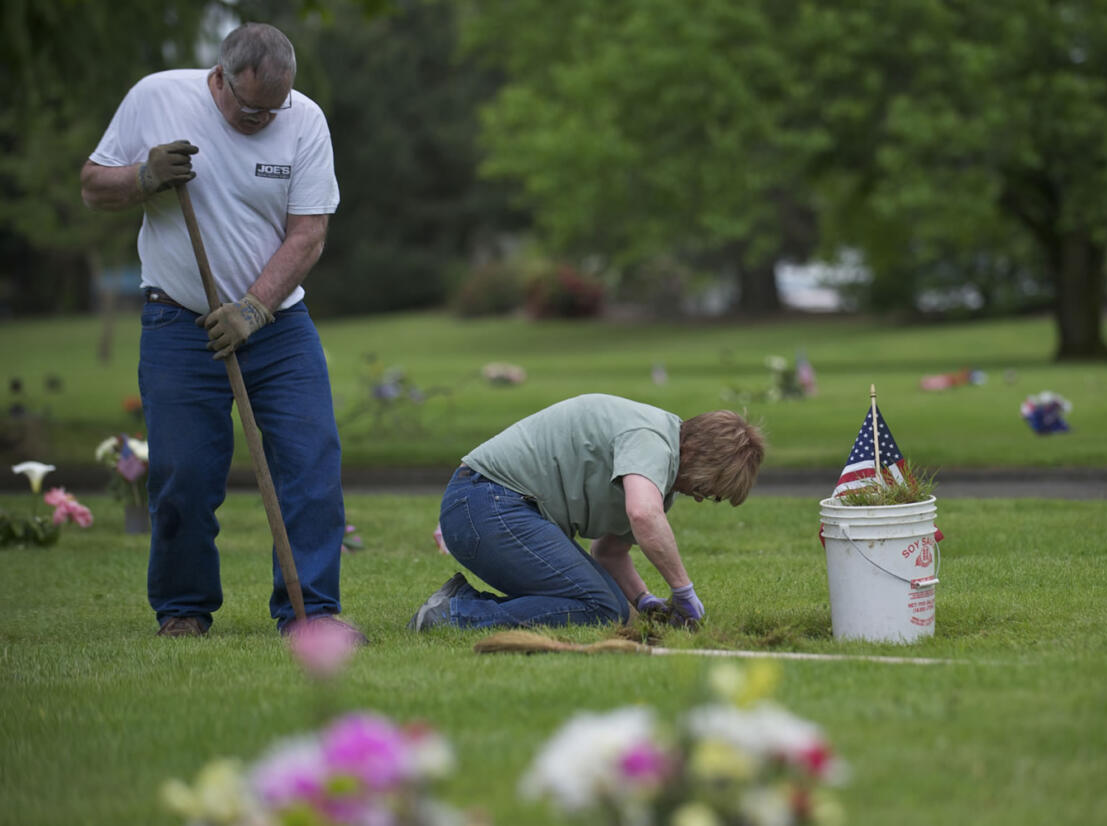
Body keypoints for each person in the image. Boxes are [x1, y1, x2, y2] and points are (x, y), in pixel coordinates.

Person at [81, 23, 361, 641]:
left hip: (278, 326)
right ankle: (183, 609)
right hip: (178, 322)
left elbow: (308, 231)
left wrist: (254, 308)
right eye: (250, 106)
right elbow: (93, 186)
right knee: (183, 472)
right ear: (220, 76)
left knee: (312, 461)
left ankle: (310, 613)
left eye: (275, 107)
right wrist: (144, 177)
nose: (264, 117)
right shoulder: (156, 97)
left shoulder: (305, 120)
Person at [409, 393, 765, 631]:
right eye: (706, 488)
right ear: (699, 454)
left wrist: (645, 601)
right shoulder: (652, 439)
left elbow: (609, 552)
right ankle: (452, 617)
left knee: (612, 606)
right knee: (602, 608)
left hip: (488, 509)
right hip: (485, 505)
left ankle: (459, 600)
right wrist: (683, 591)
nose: (701, 498)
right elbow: (643, 515)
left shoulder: (658, 465)